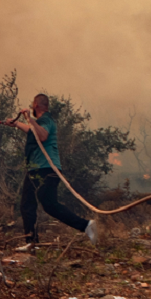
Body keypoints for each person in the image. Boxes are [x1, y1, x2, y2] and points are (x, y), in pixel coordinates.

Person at [12, 93, 99, 245]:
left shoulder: (45, 119)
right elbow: (34, 132)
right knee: (38, 205)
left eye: (33, 105)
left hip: (44, 169)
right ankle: (33, 242)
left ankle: (32, 242)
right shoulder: (42, 122)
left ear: (36, 105)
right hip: (40, 169)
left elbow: (43, 135)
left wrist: (29, 118)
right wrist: (16, 124)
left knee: (35, 205)